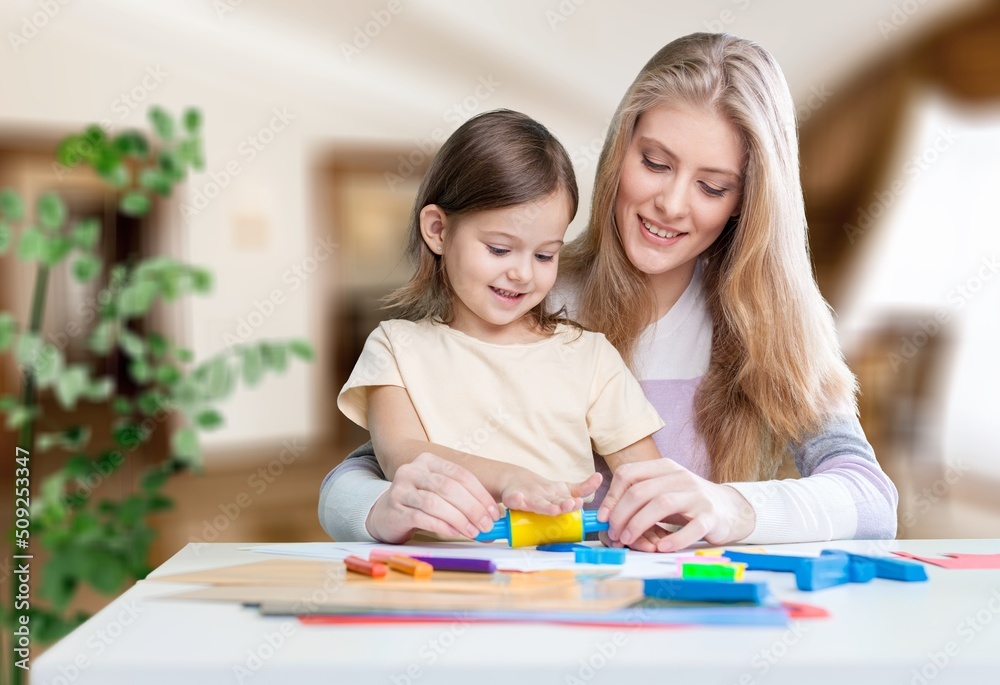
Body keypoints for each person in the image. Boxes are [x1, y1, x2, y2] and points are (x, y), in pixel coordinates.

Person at [319, 33, 899, 551]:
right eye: (654, 162)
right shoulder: (530, 293)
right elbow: (371, 468)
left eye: (712, 186)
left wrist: (733, 507)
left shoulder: (778, 326)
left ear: (748, 202)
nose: (671, 204)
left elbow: (872, 499)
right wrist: (378, 509)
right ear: (620, 149)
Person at [335, 109, 666, 542]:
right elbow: (406, 457)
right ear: (437, 230)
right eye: (499, 249)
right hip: (439, 586)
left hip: (560, 588)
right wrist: (509, 479)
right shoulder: (396, 349)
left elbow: (649, 484)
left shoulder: (590, 357)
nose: (523, 274)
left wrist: (645, 525)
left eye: (545, 255)